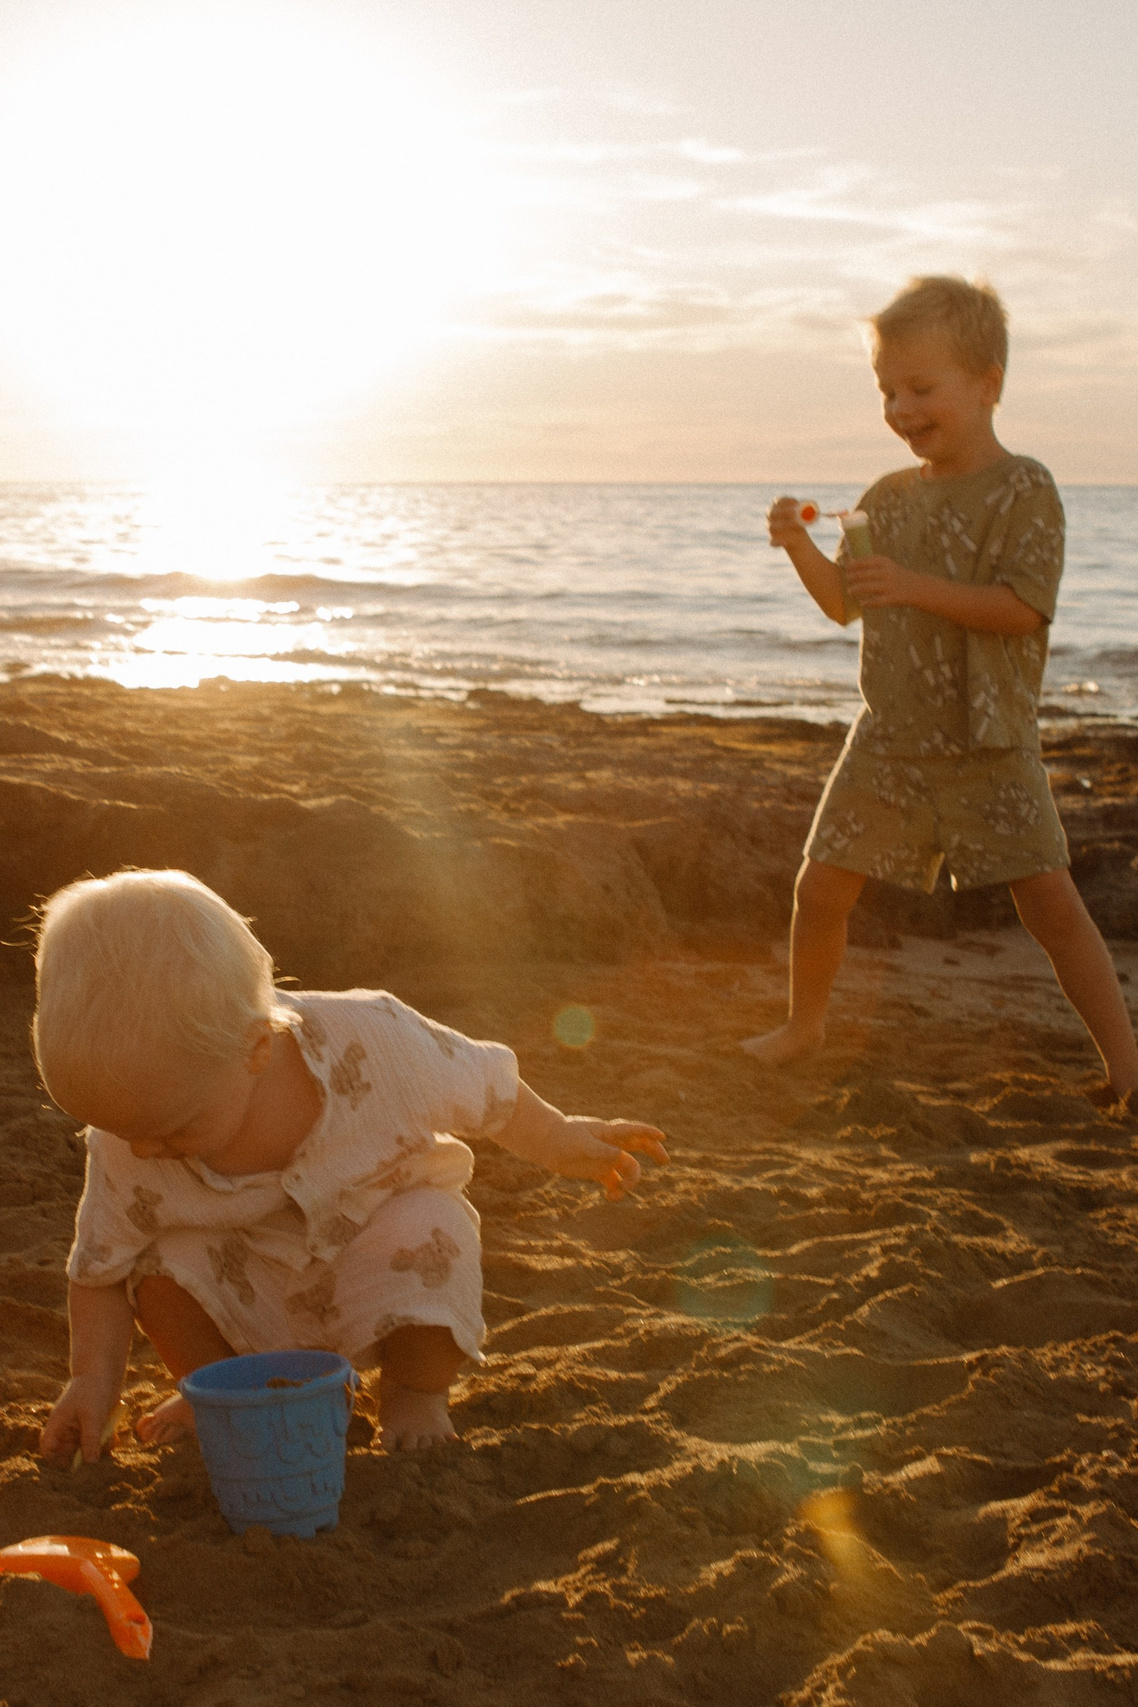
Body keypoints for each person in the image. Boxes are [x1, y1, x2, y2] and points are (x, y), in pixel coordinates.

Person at [35, 869, 667, 1464]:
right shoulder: (134, 1134)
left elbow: (488, 1089)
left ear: (256, 1049)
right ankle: (223, 1391)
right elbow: (98, 1266)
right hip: (247, 1283)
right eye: (119, 1130)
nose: (142, 1152)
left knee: (433, 1228)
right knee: (151, 1275)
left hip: (378, 1262)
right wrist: (93, 1379)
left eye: (170, 1130)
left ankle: (413, 1394)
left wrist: (559, 1137)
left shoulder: (376, 1043)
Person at [744, 275, 1138, 1104]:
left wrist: (914, 584)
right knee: (820, 888)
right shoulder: (882, 498)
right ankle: (805, 1025)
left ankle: (1126, 1063)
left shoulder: (1025, 489)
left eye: (922, 388)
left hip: (987, 741)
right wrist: (795, 548)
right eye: (888, 390)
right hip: (888, 736)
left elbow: (1022, 609)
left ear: (987, 383)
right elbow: (846, 605)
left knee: (1052, 909)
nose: (900, 407)